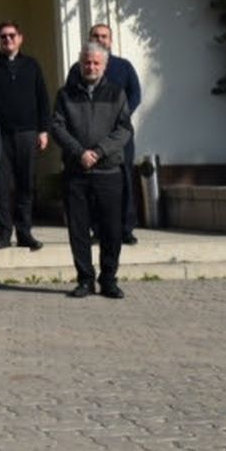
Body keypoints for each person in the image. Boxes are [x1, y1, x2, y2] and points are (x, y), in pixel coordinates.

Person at [53, 43, 134, 299]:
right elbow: (57, 127)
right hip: (76, 173)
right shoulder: (65, 94)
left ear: (105, 65)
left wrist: (98, 152)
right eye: (87, 62)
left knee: (111, 230)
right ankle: (85, 280)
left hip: (108, 172)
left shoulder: (117, 93)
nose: (91, 67)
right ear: (80, 63)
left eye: (96, 63)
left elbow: (124, 130)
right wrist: (80, 153)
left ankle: (108, 279)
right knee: (78, 230)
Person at [0, 21, 50, 251]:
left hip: (28, 133)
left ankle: (25, 232)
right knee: (2, 187)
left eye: (11, 36)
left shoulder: (32, 65)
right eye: (3, 36)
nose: (8, 40)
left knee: (26, 184)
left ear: (20, 38)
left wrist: (44, 130)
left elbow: (42, 99)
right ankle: (4, 234)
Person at [66, 23, 144, 244]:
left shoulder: (124, 67)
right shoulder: (78, 68)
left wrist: (117, 118)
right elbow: (72, 99)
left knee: (125, 180)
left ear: (110, 40)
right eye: (95, 36)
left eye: (104, 36)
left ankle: (126, 229)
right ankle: (98, 229)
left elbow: (135, 95)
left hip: (120, 136)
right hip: (90, 137)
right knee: (92, 184)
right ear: (88, 38)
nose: (100, 40)